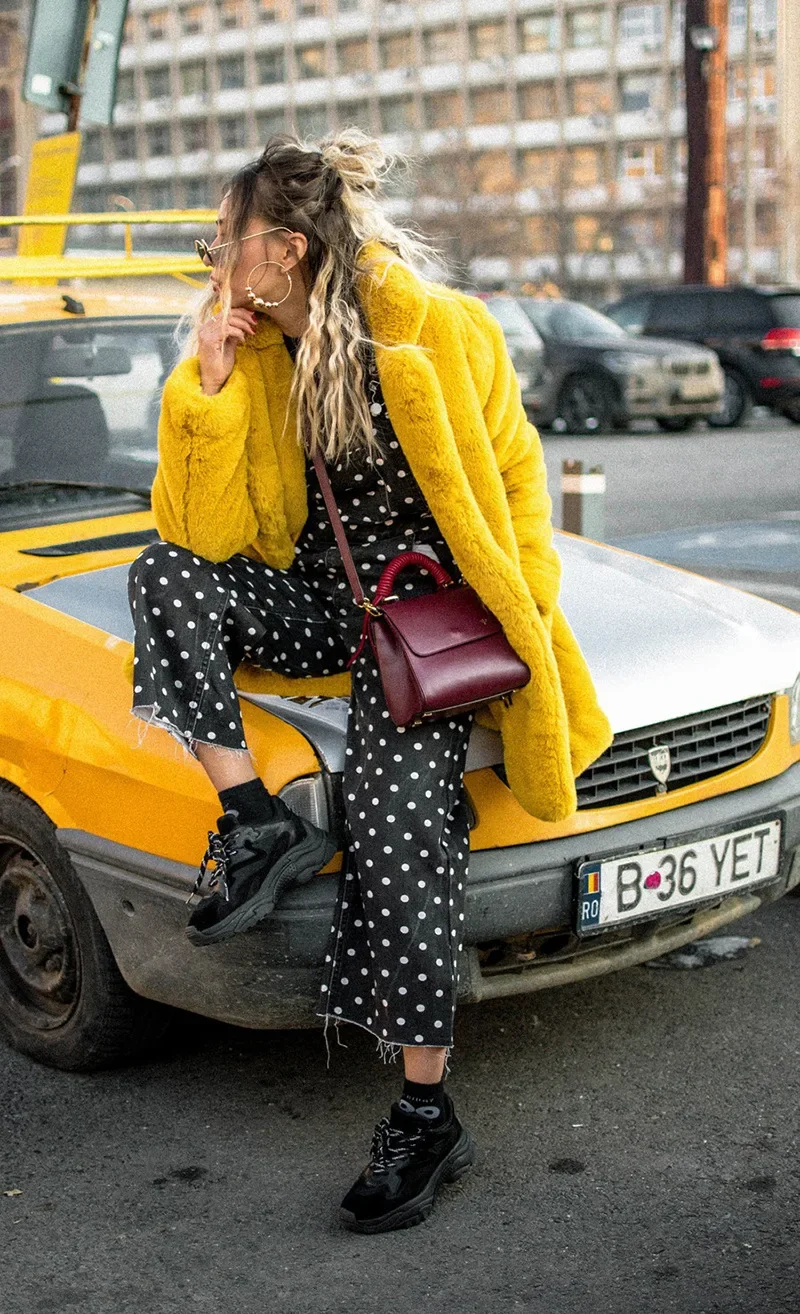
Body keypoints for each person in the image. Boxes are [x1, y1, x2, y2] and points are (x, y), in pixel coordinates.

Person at [124, 128, 613, 1234]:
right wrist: (205, 388)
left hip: (425, 626)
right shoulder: (250, 353)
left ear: (286, 249)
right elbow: (200, 535)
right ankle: (254, 822)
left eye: (223, 238)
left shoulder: (440, 332)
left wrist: (519, 609)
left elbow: (518, 482)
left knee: (399, 831)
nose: (212, 257)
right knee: (161, 574)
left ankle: (424, 1114)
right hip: (316, 607)